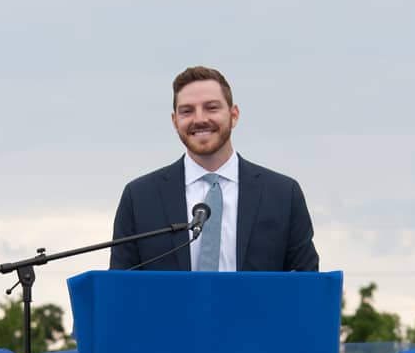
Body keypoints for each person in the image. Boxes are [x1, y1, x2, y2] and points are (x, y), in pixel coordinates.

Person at [110, 66, 318, 272]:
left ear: (234, 115)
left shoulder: (283, 195)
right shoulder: (139, 198)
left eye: (211, 108)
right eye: (187, 111)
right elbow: (119, 284)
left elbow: (307, 281)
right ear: (175, 121)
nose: (200, 119)